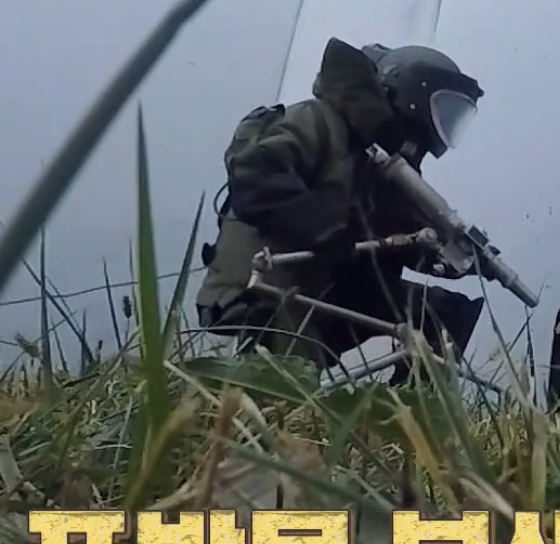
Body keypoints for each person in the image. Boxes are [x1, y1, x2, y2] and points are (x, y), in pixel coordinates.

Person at [194, 36, 487, 385]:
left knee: (443, 315)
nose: (444, 123)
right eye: (443, 109)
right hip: (268, 288)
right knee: (286, 390)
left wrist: (454, 256)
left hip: (328, 286)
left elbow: (396, 236)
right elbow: (255, 177)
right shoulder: (317, 121)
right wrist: (322, 227)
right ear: (411, 92)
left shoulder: (386, 160)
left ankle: (408, 411)